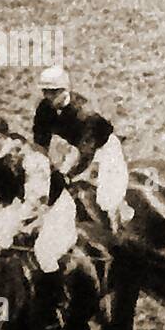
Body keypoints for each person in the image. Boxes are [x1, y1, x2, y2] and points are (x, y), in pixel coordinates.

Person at [0, 109, 77, 273]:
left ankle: (55, 297)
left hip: (54, 208)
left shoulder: (31, 157)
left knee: (44, 254)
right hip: (19, 205)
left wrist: (13, 228)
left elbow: (37, 201)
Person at [32, 65, 132, 232]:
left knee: (107, 198)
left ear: (66, 90)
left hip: (104, 148)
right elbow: (40, 141)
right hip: (76, 147)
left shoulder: (85, 113)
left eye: (54, 92)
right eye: (45, 92)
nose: (49, 97)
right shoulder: (44, 108)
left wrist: (67, 173)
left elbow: (86, 153)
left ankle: (117, 229)